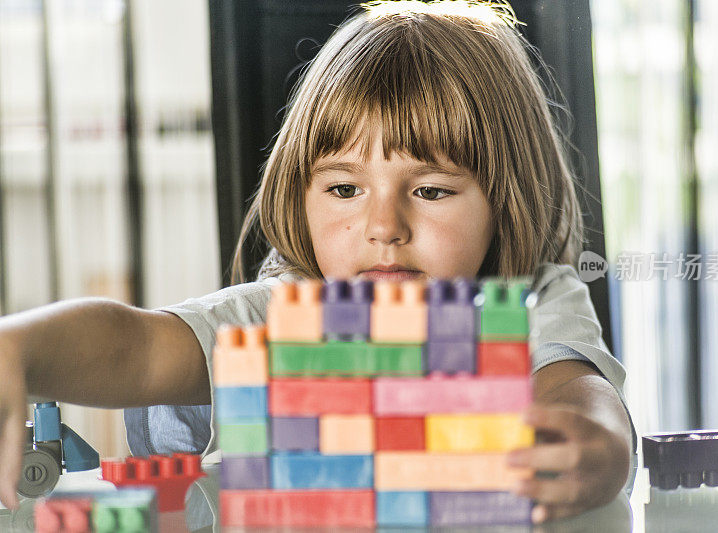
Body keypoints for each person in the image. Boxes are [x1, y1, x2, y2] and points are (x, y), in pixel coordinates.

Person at [0, 0, 634, 523]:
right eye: (343, 189)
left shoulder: (534, 301)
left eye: (432, 190)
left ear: (506, 198)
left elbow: (579, 394)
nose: (384, 227)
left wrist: (596, 447)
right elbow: (137, 347)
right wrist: (19, 348)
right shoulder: (283, 313)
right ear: (300, 196)